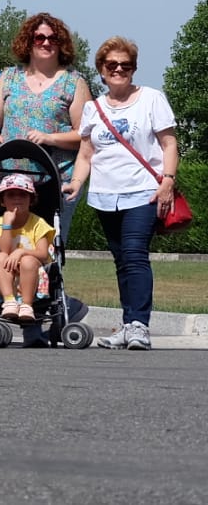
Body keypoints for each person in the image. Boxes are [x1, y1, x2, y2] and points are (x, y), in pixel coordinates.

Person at [70, 36, 180, 351]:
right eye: (112, 65)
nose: (119, 69)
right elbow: (86, 154)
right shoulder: (93, 108)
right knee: (121, 260)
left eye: (125, 65)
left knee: (135, 254)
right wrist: (77, 183)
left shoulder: (151, 99)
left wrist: (168, 180)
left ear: (133, 69)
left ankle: (140, 326)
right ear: (101, 70)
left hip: (143, 191)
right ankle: (128, 322)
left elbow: (169, 143)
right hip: (106, 194)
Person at [0, 12, 93, 238]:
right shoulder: (8, 78)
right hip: (7, 179)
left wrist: (50, 138)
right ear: (28, 42)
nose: (46, 43)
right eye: (39, 38)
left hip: (53, 181)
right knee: (5, 243)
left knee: (45, 247)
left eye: (53, 38)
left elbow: (86, 135)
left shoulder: (74, 83)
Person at [0, 173, 52, 324]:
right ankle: (9, 301)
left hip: (32, 268)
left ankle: (27, 305)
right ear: (2, 201)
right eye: (11, 195)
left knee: (28, 261)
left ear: (31, 199)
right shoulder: (0, 222)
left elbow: (43, 254)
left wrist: (21, 251)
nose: (17, 199)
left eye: (23, 195)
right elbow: (4, 250)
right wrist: (7, 225)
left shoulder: (38, 223)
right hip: (8, 268)